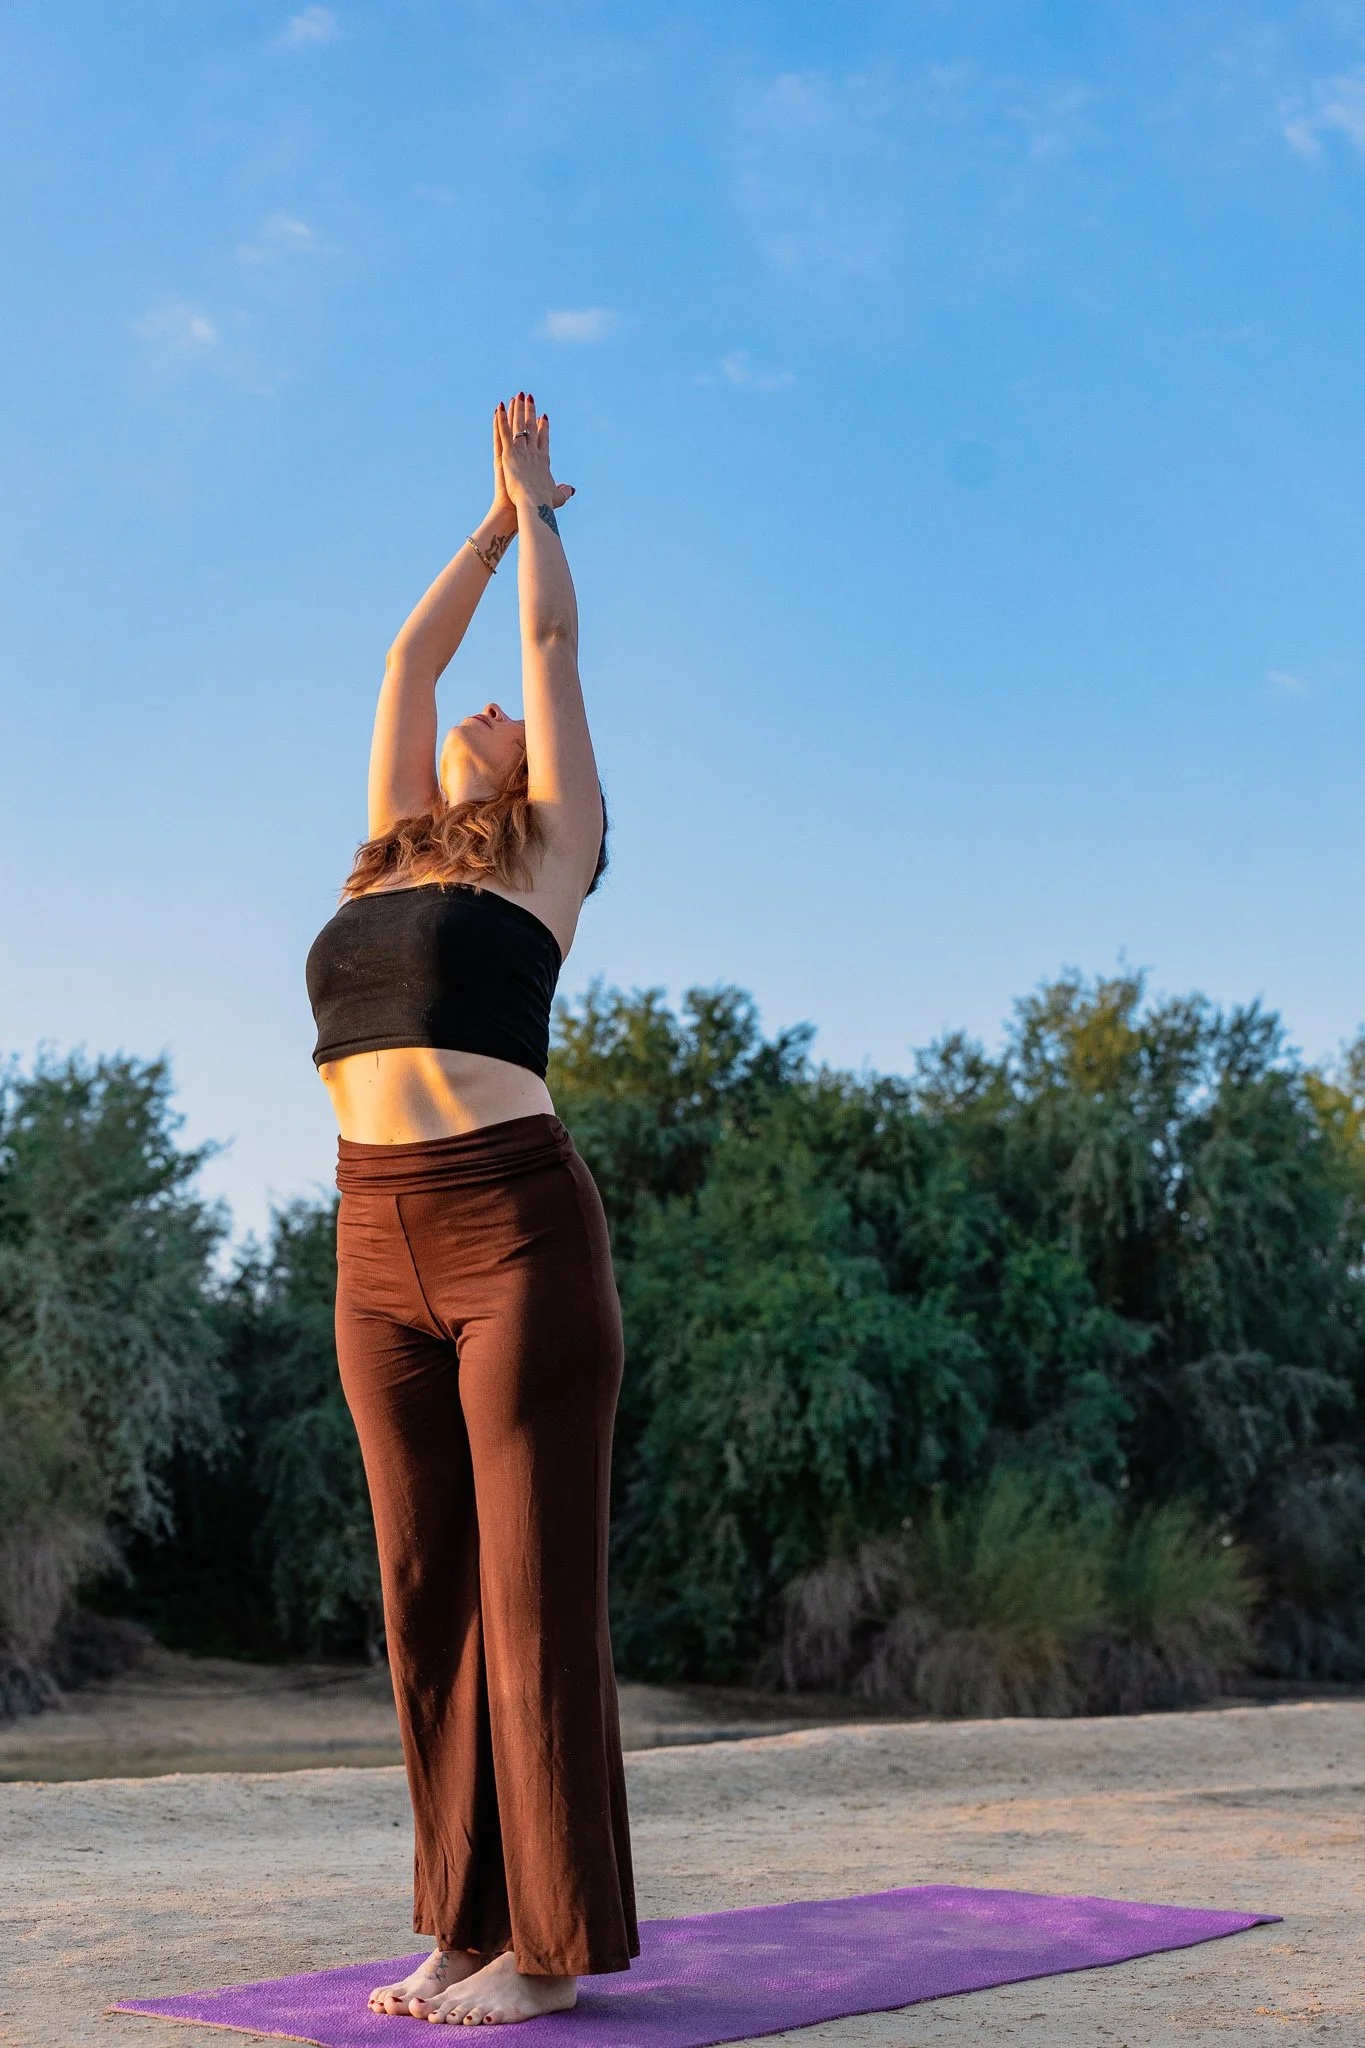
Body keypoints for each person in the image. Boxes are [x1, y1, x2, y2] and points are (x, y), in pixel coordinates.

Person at [305, 392, 638, 2025]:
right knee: (424, 1593)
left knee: (528, 1595)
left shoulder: (546, 860)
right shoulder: (383, 860)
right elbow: (403, 669)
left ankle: (552, 1950)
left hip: (513, 1233)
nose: (490, 704)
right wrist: (481, 524)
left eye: (505, 717)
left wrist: (544, 522)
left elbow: (553, 656)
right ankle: (460, 1923)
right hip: (373, 1239)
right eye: (481, 708)